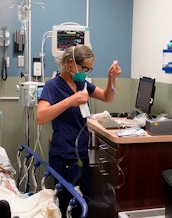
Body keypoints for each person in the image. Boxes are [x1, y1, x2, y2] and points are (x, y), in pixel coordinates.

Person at [36, 45, 121, 217]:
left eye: (90, 69)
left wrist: (111, 78)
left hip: (81, 153)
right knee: (66, 203)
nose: (87, 72)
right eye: (84, 68)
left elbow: (107, 96)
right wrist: (70, 101)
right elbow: (40, 117)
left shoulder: (81, 83)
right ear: (70, 63)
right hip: (63, 154)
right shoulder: (52, 86)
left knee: (83, 202)